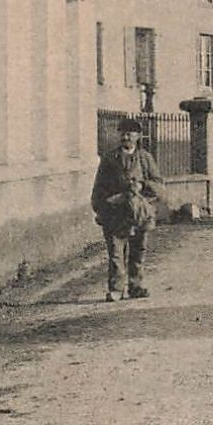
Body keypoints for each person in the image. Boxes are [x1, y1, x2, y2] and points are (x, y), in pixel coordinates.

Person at [91, 117, 162, 301]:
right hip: (116, 213)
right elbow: (99, 187)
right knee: (116, 253)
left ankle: (136, 286)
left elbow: (158, 185)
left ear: (138, 136)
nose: (126, 136)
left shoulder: (145, 158)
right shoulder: (109, 159)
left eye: (130, 133)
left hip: (139, 213)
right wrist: (102, 206)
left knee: (138, 251)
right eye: (123, 133)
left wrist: (142, 186)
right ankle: (116, 289)